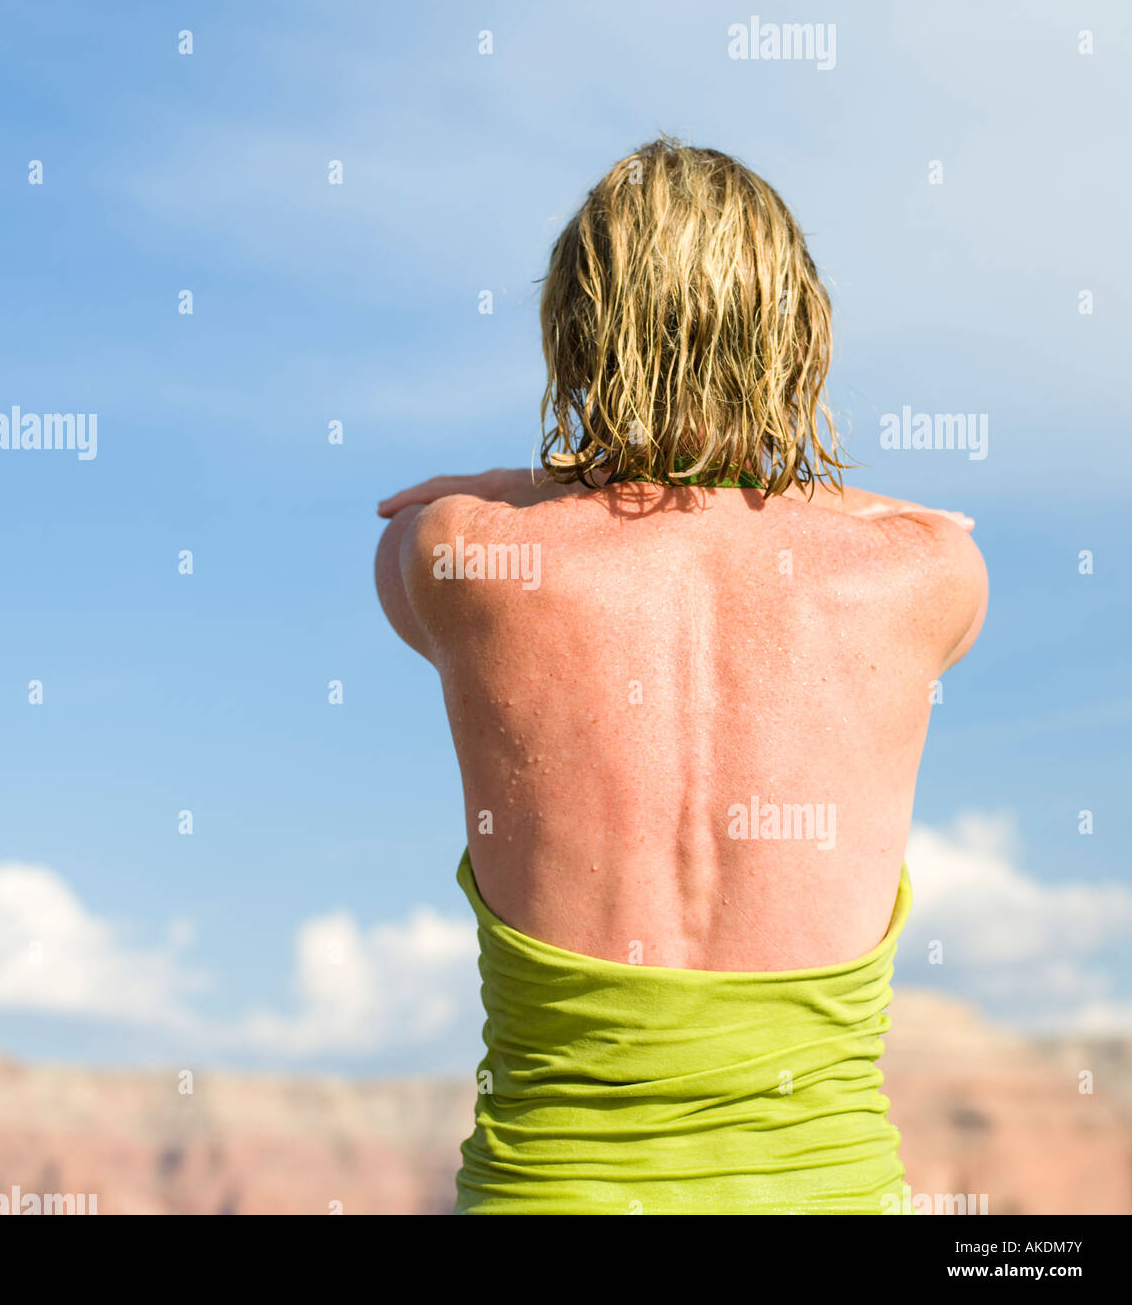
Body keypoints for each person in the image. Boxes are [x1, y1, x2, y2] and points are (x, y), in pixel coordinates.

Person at [374, 138, 988, 1215]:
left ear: (571, 333)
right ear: (797, 334)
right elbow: (892, 516)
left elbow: (588, 517)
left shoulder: (456, 554)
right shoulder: (925, 573)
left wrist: (540, 478)